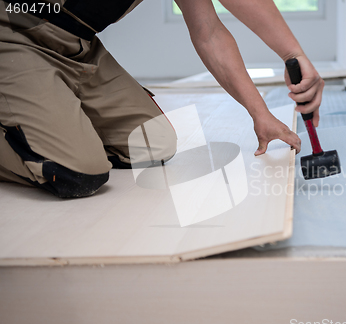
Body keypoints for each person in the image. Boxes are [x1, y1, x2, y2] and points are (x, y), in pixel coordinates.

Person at [0, 0, 324, 198]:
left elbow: (208, 32)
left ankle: (39, 110)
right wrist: (290, 51)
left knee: (152, 145)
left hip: (76, 45)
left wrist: (261, 114)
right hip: (12, 31)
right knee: (79, 173)